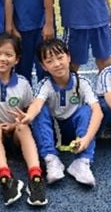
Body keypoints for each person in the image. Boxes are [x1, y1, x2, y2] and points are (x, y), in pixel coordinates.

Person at [0, 33, 47, 207]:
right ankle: (6, 179)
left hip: (15, 137)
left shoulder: (23, 84)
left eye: (8, 55)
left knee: (23, 127)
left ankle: (35, 178)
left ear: (17, 60)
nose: (2, 59)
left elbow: (27, 112)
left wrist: (14, 125)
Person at [26, 39, 103, 187]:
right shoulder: (45, 85)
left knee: (87, 110)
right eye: (49, 61)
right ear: (43, 66)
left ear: (69, 57)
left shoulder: (82, 82)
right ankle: (51, 159)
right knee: (39, 111)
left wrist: (86, 139)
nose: (57, 64)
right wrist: (28, 116)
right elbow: (37, 104)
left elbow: (98, 112)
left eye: (60, 57)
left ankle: (82, 162)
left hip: (76, 132)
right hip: (54, 132)